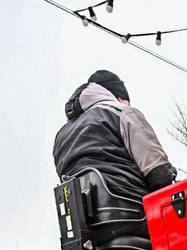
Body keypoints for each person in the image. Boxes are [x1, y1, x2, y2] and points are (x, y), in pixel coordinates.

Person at [53, 70, 177, 215]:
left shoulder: (60, 137)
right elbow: (158, 172)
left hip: (84, 228)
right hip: (134, 214)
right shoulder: (122, 112)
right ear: (118, 97)